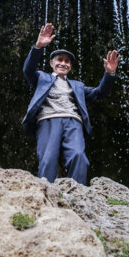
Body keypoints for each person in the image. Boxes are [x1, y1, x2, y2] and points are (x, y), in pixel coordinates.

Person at [22, 23, 120, 185]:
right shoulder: (42, 77)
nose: (64, 63)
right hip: (48, 119)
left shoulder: (78, 85)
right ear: (52, 63)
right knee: (48, 159)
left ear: (71, 66)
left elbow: (99, 93)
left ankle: (77, 194)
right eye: (60, 60)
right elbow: (28, 70)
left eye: (67, 61)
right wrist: (38, 46)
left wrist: (110, 73)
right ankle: (46, 196)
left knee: (79, 157)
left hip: (73, 121)